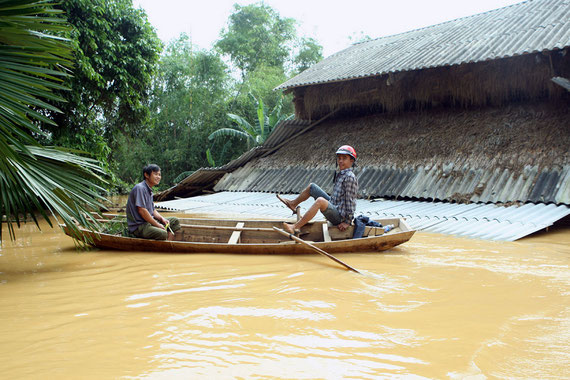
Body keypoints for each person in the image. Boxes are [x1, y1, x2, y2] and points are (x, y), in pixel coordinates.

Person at [278, 145, 359, 235]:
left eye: (344, 158)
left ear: (351, 160)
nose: (340, 161)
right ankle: (293, 204)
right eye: (339, 158)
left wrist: (347, 222)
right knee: (312, 187)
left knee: (320, 201)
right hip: (335, 205)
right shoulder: (341, 174)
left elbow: (350, 202)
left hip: (340, 217)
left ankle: (294, 227)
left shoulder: (350, 177)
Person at [126, 164, 181, 240]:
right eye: (155, 174)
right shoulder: (140, 188)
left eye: (159, 175)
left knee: (174, 221)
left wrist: (162, 219)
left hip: (149, 222)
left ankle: (168, 244)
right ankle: (165, 246)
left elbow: (153, 210)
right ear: (146, 175)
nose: (158, 177)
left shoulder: (149, 190)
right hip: (139, 226)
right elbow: (142, 210)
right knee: (162, 233)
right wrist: (157, 225)